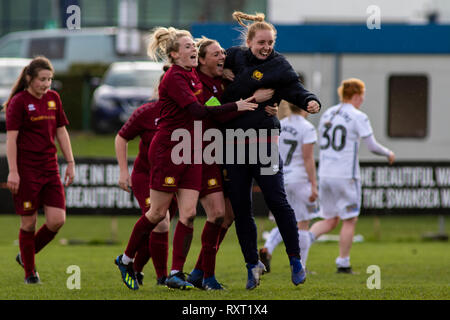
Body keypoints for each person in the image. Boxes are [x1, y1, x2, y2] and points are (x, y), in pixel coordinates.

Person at [114, 26, 258, 291]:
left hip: (191, 151)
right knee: (157, 213)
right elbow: (197, 110)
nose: (193, 48)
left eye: (194, 45)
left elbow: (212, 104)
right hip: (169, 149)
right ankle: (125, 259)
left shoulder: (192, 75)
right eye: (189, 46)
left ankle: (176, 273)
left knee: (189, 214)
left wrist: (229, 79)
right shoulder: (174, 78)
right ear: (174, 54)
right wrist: (236, 105)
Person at [219, 11, 321, 289]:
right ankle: (252, 263)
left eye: (270, 42)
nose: (266, 47)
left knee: (278, 201)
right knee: (242, 209)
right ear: (249, 41)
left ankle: (295, 259)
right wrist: (230, 75)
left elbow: (296, 88)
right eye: (261, 42)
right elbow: (219, 90)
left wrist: (311, 100)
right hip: (234, 145)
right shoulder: (232, 57)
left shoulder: (278, 64)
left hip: (264, 144)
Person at [186, 37, 277, 290]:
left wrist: (270, 106)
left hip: (224, 152)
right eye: (215, 54)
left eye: (223, 53)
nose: (222, 57)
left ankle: (197, 272)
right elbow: (221, 115)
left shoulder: (221, 81)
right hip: (205, 154)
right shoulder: (198, 86)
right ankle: (202, 275)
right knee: (217, 216)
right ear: (202, 60)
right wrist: (254, 100)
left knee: (228, 216)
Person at [307, 78, 395, 274]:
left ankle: (300, 250)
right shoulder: (358, 116)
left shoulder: (328, 113)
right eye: (361, 97)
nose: (362, 101)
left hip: (326, 173)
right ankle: (343, 263)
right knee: (350, 219)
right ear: (356, 96)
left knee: (329, 220)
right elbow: (371, 146)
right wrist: (388, 153)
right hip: (345, 175)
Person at [4, 56, 75, 284]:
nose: (46, 84)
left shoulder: (54, 98)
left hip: (50, 168)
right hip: (26, 171)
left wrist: (71, 162)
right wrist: (13, 171)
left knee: (57, 220)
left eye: (49, 79)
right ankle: (30, 273)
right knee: (29, 223)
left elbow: (61, 132)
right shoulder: (18, 102)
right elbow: (11, 140)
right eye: (42, 79)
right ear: (29, 79)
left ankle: (25, 255)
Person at [115, 74, 178, 286]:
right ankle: (162, 278)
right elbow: (121, 137)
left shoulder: (186, 113)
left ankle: (136, 268)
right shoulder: (146, 112)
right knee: (161, 222)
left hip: (173, 177)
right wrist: (123, 172)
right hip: (146, 177)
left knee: (156, 227)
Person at [259, 102, 319, 273]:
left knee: (285, 220)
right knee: (303, 223)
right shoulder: (307, 127)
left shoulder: (280, 124)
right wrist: (314, 185)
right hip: (299, 179)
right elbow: (308, 159)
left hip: (281, 178)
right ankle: (302, 266)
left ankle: (268, 249)